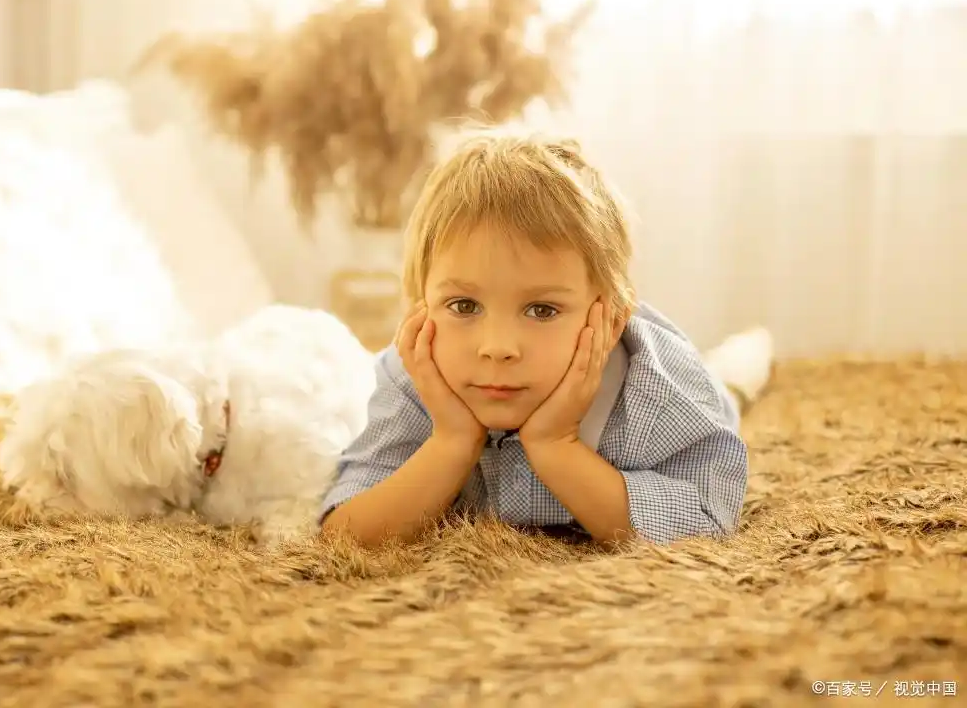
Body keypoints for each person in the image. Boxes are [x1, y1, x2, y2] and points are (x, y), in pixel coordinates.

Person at [319, 125, 774, 548]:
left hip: (702, 388)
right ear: (422, 305)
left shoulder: (654, 387)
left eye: (542, 309)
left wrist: (557, 446)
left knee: (727, 389)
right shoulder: (415, 376)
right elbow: (344, 532)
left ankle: (743, 363)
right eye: (464, 306)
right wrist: (452, 441)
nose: (497, 347)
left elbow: (709, 519)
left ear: (610, 317)